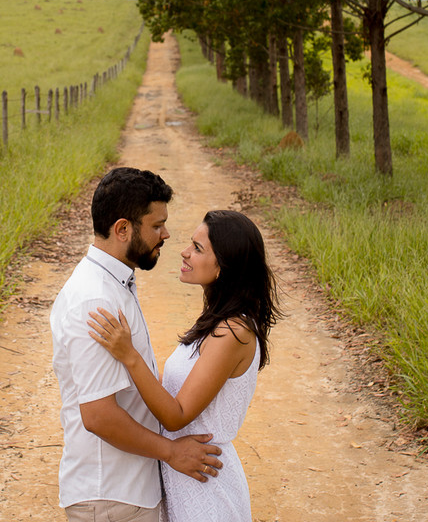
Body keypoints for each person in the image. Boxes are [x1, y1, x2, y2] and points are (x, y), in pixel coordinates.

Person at [50, 167, 223, 522]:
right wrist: (171, 452)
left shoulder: (114, 282)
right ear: (123, 229)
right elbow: (98, 415)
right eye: (156, 225)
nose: (166, 234)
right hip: (111, 496)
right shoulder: (95, 300)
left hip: (125, 491)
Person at [87, 209, 280, 522]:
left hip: (206, 483)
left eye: (199, 248)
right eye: (191, 243)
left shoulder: (233, 332)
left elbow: (176, 416)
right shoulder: (217, 322)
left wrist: (130, 355)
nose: (184, 251)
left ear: (224, 268)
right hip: (188, 476)